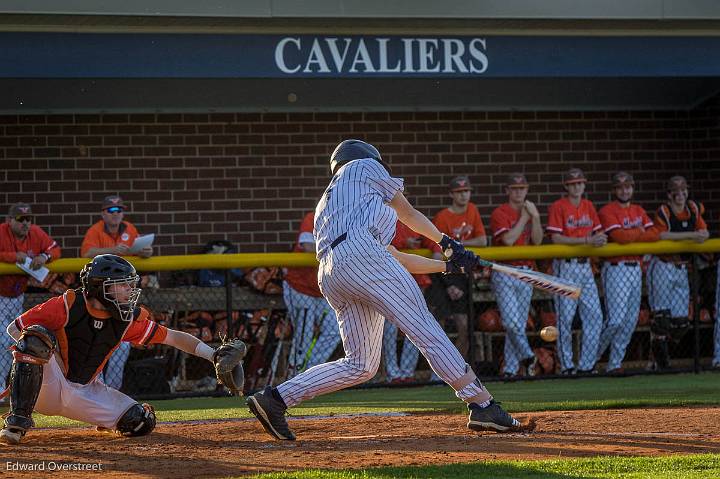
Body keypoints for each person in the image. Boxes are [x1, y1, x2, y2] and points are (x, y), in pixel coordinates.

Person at [246, 139, 523, 441]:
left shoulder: (334, 203)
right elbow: (409, 214)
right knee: (426, 329)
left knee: (360, 364)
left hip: (332, 273)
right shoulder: (363, 166)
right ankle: (482, 404)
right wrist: (448, 244)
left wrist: (450, 266)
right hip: (361, 258)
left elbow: (396, 259)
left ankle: (275, 399)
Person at [0, 254, 240, 445]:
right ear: (99, 286)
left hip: (84, 390)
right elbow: (15, 328)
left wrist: (213, 354)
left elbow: (172, 337)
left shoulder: (125, 318)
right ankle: (17, 423)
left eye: (129, 284)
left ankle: (102, 417)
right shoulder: (67, 304)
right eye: (122, 285)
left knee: (139, 422)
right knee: (35, 338)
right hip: (46, 386)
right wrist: (52, 357)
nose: (129, 290)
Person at [80, 195, 153, 391]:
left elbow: (137, 248)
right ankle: (94, 388)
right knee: (98, 344)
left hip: (121, 293)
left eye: (119, 210)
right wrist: (112, 249)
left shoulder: (129, 228)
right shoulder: (95, 230)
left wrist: (144, 252)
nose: (116, 214)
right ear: (103, 213)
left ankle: (112, 391)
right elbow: (86, 253)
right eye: (111, 210)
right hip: (101, 295)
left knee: (122, 345)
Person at [546, 168, 607, 375]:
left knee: (595, 316)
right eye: (573, 184)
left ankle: (587, 365)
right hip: (566, 266)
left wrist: (600, 238)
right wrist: (587, 240)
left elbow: (599, 232)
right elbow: (556, 238)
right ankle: (567, 366)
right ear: (566, 186)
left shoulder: (589, 206)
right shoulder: (558, 206)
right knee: (566, 318)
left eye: (580, 183)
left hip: (585, 266)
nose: (577, 186)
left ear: (584, 184)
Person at [597, 172, 659, 374]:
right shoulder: (608, 210)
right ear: (614, 190)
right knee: (615, 320)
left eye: (628, 187)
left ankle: (614, 364)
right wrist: (640, 232)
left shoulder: (638, 210)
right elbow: (619, 237)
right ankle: (591, 360)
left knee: (630, 321)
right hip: (616, 269)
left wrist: (639, 235)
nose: (625, 190)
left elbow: (655, 234)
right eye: (620, 187)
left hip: (635, 269)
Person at [647, 176, 708, 370]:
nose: (680, 195)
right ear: (669, 195)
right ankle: (660, 364)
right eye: (676, 192)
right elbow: (661, 235)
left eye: (683, 191)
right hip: (664, 265)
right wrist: (691, 235)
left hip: (682, 267)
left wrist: (702, 234)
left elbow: (703, 231)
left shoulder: (693, 208)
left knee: (681, 324)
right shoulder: (664, 211)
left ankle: (655, 355)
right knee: (661, 320)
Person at [0, 203, 61, 397]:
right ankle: (2, 387)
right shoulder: (1, 232)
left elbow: (54, 248)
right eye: (20, 219)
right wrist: (12, 257)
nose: (25, 223)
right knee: (2, 342)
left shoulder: (35, 232)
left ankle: (8, 386)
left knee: (11, 340)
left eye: (28, 219)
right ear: (9, 221)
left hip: (17, 295)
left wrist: (44, 255)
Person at [489, 174, 543, 378]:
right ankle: (528, 356)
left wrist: (535, 218)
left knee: (518, 326)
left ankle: (511, 370)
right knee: (511, 323)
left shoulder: (531, 212)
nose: (519, 192)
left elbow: (537, 241)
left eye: (522, 188)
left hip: (526, 271)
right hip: (506, 271)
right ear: (507, 191)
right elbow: (509, 240)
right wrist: (524, 218)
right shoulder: (500, 212)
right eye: (514, 188)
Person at [428, 176, 487, 359]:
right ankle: (436, 368)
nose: (463, 195)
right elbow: (437, 254)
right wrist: (449, 284)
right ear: (451, 194)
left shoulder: (472, 210)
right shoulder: (442, 217)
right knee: (438, 326)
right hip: (444, 275)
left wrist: (458, 245)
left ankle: (458, 368)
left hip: (463, 275)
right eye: (459, 192)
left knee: (465, 326)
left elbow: (482, 241)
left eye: (466, 191)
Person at [282, 211, 341, 378]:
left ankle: (309, 372)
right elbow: (308, 245)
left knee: (334, 332)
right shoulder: (315, 217)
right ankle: (293, 377)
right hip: (300, 286)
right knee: (304, 336)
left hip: (324, 290)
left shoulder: (347, 220)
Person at [382, 220, 428, 384]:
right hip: (390, 280)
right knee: (390, 330)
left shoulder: (410, 218)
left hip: (415, 279)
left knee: (415, 328)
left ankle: (407, 371)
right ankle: (393, 373)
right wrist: (403, 243)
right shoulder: (378, 216)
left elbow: (431, 239)